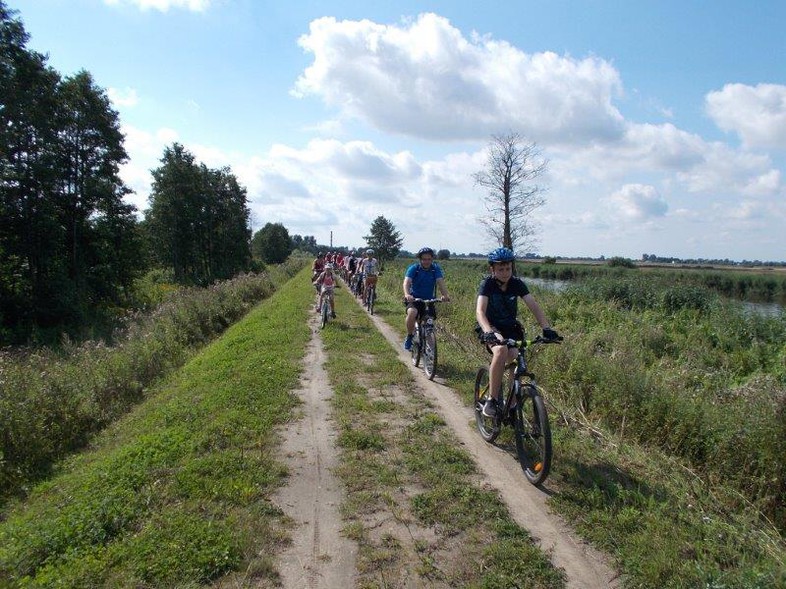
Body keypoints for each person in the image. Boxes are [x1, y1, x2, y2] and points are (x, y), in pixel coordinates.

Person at [475, 247, 560, 418]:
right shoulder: (488, 284)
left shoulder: (516, 283)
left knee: (515, 357)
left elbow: (533, 305)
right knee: (500, 350)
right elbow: (480, 311)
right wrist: (488, 331)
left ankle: (512, 405)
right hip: (491, 326)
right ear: (492, 269)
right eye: (500, 269)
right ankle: (492, 400)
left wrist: (546, 328)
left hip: (510, 328)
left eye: (508, 268)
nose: (505, 273)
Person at [402, 247, 450, 350]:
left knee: (429, 322)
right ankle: (410, 336)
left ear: (432, 259)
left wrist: (445, 295)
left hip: (429, 301)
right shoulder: (414, 268)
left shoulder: (435, 269)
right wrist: (407, 294)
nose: (426, 261)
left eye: (429, 259)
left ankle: (430, 350)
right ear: (420, 259)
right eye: (424, 259)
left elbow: (440, 282)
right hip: (414, 299)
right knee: (412, 313)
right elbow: (406, 282)